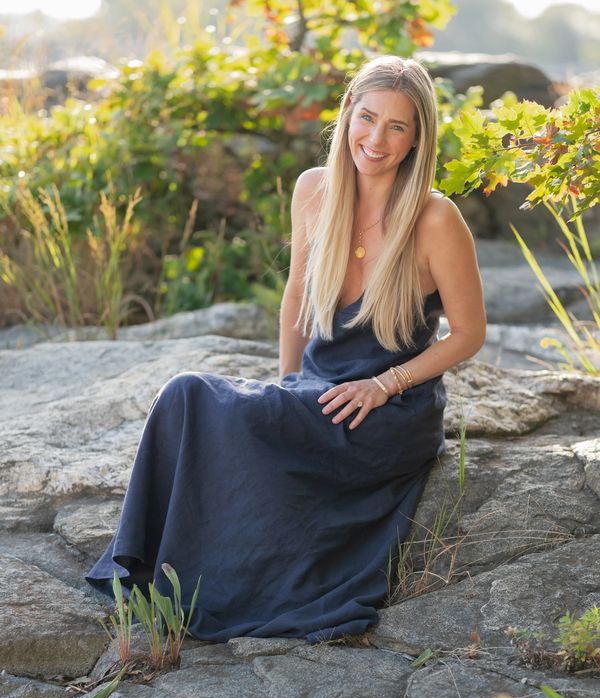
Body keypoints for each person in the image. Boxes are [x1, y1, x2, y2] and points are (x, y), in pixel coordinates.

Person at [86, 55, 486, 644]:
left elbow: (470, 333)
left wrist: (385, 385)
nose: (376, 139)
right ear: (348, 113)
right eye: (367, 117)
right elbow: (298, 295)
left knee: (193, 395)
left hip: (385, 412)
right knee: (190, 403)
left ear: (417, 138)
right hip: (317, 391)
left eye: (397, 127)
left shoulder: (435, 219)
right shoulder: (314, 190)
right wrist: (286, 388)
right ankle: (160, 571)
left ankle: (197, 586)